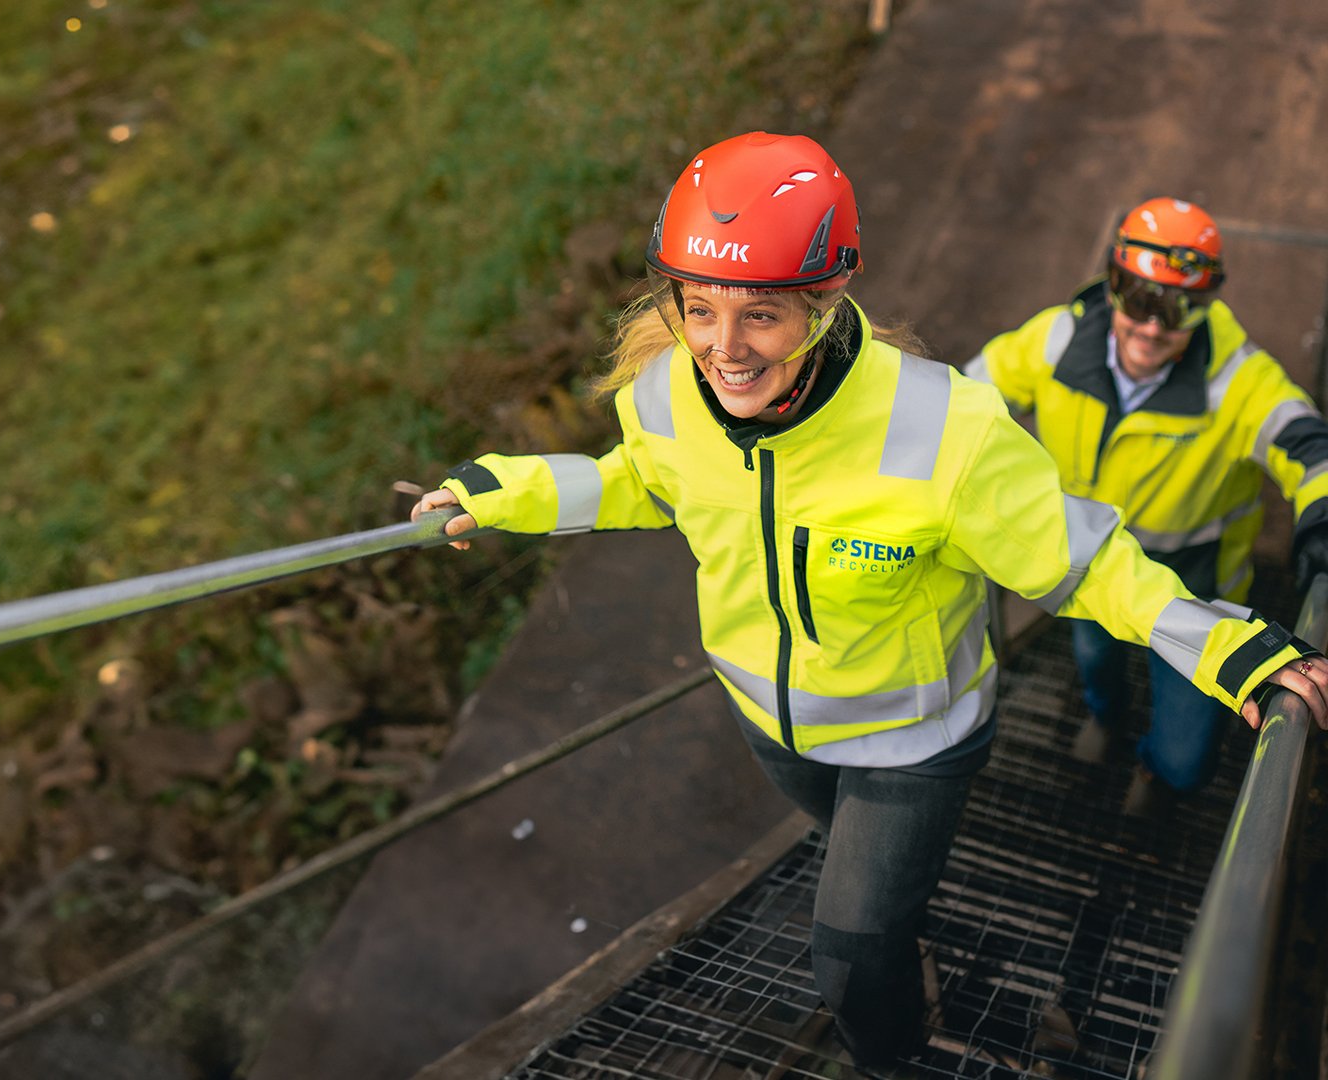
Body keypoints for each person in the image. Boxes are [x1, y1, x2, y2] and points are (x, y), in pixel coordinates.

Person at [409, 132, 1328, 1070]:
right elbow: (643, 479)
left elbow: (1085, 566)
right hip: (772, 727)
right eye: (699, 309)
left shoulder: (945, 431)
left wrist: (1227, 648)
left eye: (761, 316)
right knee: (871, 910)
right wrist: (508, 492)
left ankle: (894, 1060)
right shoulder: (666, 389)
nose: (723, 350)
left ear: (826, 297)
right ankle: (903, 941)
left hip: (912, 743)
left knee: (847, 952)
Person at [964, 198, 1328, 815]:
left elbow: (1308, 446)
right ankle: (1107, 718)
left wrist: (1320, 518)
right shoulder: (1055, 340)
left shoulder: (1236, 380)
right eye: (1138, 298)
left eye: (1179, 307)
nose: (1153, 327)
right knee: (1094, 658)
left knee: (1188, 759)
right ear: (1112, 283)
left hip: (1194, 584)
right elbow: (962, 399)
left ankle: (1160, 771)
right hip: (1083, 561)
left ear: (1208, 305)